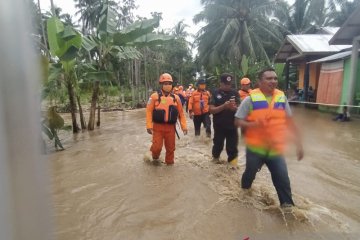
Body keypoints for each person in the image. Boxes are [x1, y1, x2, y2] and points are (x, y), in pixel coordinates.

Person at [234, 67, 304, 207]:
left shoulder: (282, 98)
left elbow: (290, 122)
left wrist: (298, 144)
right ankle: (244, 194)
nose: (273, 81)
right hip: (255, 149)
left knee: (283, 179)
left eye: (275, 78)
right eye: (269, 78)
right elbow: (237, 121)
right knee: (249, 174)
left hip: (275, 148)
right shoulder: (249, 99)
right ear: (259, 82)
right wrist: (253, 124)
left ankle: (288, 209)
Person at [146, 73, 188, 165]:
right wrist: (149, 126)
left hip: (170, 128)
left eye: (169, 83)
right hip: (158, 127)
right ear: (161, 84)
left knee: (170, 148)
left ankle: (169, 166)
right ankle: (155, 158)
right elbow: (149, 111)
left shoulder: (176, 98)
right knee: (157, 148)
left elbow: (181, 113)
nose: (167, 85)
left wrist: (184, 127)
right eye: (165, 83)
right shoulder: (154, 97)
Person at [209, 73, 240, 166]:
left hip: (233, 125)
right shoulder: (215, 93)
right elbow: (211, 110)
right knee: (218, 145)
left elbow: (241, 109)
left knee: (233, 147)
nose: (228, 86)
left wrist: (234, 108)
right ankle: (215, 161)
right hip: (219, 126)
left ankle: (233, 166)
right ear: (221, 83)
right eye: (226, 84)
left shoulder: (235, 93)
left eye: (230, 84)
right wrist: (224, 106)